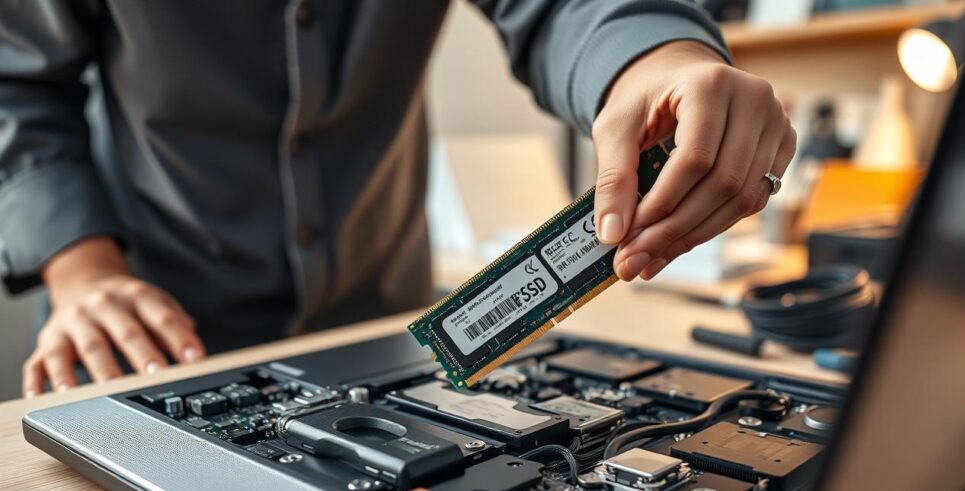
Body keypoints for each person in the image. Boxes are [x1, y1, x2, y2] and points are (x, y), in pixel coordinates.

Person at [0, 1, 795, 398]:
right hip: (141, 342)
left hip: (390, 341)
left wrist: (658, 56)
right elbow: (15, 81)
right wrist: (82, 271)